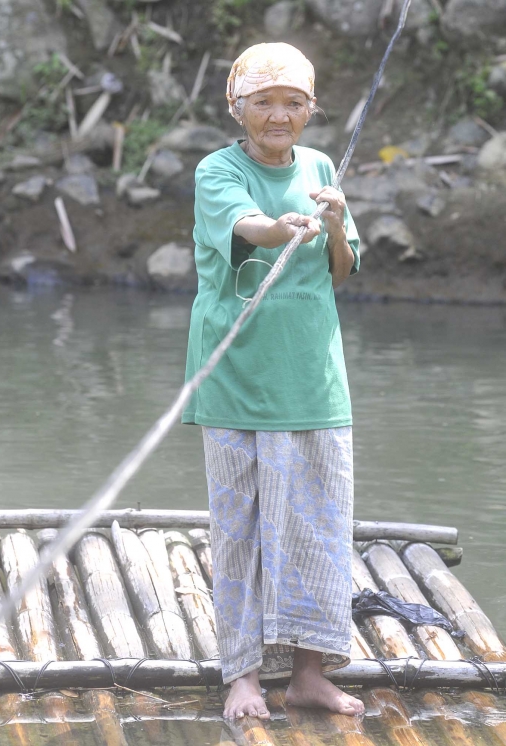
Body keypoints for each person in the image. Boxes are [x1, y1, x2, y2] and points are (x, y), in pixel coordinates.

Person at [182, 42, 364, 719]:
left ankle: (310, 674)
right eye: (264, 102)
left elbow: (342, 271)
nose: (279, 115)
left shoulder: (320, 166)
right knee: (241, 532)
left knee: (319, 528)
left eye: (294, 102)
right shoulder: (216, 169)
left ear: (311, 109)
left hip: (314, 381)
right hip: (235, 378)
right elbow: (245, 224)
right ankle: (244, 677)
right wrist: (279, 225)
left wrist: (337, 225)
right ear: (237, 107)